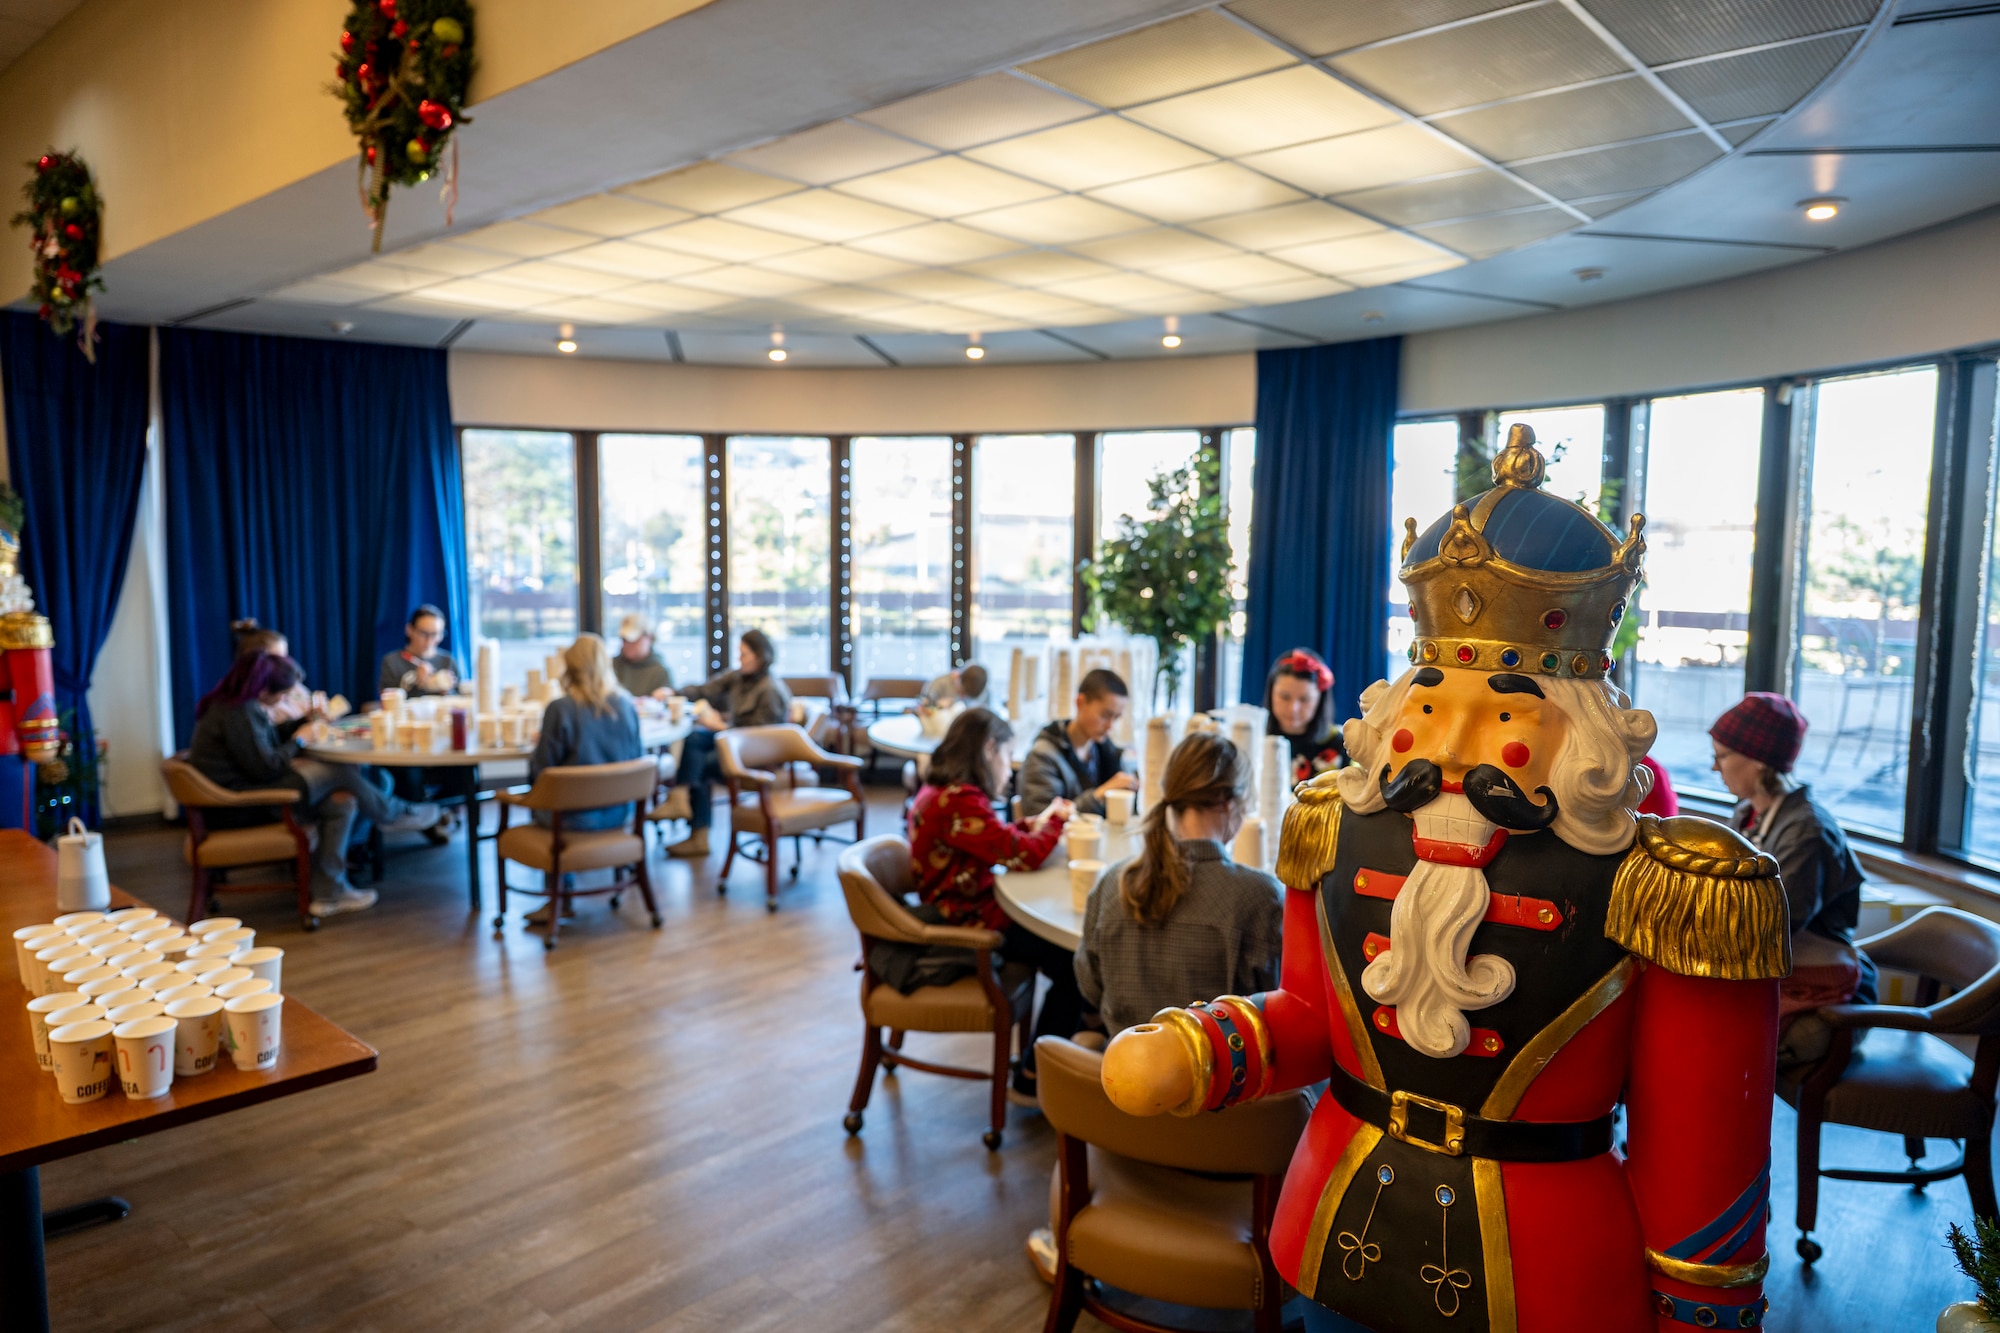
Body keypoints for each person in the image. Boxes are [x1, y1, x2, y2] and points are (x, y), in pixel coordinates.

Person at [1098, 427, 1789, 1333]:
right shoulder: (1327, 827)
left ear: (1581, 722)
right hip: (1333, 1220)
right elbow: (1311, 1019)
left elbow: (1700, 1146)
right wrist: (1204, 1046)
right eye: (1432, 700)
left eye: (1499, 708)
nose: (1453, 741)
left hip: (1549, 1270)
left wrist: (1699, 1311)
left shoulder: (1682, 885)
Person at [189, 652, 440, 917]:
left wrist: (304, 724)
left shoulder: (235, 705)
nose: (284, 700)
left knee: (342, 801)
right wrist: (299, 740)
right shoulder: (240, 713)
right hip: (243, 804)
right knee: (340, 771)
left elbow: (266, 742)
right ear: (263, 688)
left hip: (245, 792)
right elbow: (267, 767)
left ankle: (328, 896)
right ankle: (393, 813)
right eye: (283, 695)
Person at [908, 707, 1075, 1099]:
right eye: (1006, 756)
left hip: (960, 905)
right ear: (988, 750)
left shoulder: (944, 793)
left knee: (1066, 954)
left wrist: (1024, 827)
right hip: (967, 922)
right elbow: (1024, 856)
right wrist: (1056, 820)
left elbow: (991, 839)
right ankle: (1033, 1077)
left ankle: (1073, 1036)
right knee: (1075, 963)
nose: (1008, 769)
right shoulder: (959, 800)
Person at [1075, 731, 1282, 1034]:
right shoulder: (1262, 897)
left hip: (1126, 1071)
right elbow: (1278, 1011)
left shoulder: (1113, 883)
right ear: (1228, 803)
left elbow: (1091, 988)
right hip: (1224, 1078)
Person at [1710, 691, 1874, 1068]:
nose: (1714, 769)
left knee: (1710, 1045)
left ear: (1758, 760)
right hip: (1788, 972)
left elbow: (1772, 924)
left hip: (1826, 999)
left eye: (1721, 756)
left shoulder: (1807, 832)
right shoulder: (1750, 814)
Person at [521, 635, 646, 926]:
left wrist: (542, 743)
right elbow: (636, 762)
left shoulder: (560, 710)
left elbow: (542, 774)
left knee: (550, 799)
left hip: (570, 820)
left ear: (569, 669)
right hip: (619, 814)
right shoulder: (626, 706)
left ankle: (560, 896)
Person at [661, 628, 792, 858]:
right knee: (693, 738)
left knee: (701, 763)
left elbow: (761, 738)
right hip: (733, 741)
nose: (739, 660)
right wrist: (673, 692)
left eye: (744, 655)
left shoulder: (770, 691)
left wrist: (721, 727)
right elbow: (705, 689)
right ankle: (679, 797)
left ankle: (698, 834)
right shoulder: (740, 677)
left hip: (755, 754)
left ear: (761, 657)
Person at [1019, 668, 1134, 818]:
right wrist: (1100, 794)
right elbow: (1042, 819)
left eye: (1116, 718)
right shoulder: (1042, 756)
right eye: (1105, 715)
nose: (1110, 726)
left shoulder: (1105, 751)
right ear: (1080, 702)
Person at [1264, 647, 1346, 782]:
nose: (1293, 709)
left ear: (1320, 700)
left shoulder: (1341, 745)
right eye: (1284, 697)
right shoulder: (1254, 738)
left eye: (1304, 699)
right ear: (1271, 692)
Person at [378, 604, 457, 697]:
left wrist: (446, 690)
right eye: (424, 633)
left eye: (435, 634)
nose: (429, 640)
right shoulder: (392, 662)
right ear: (409, 630)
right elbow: (388, 701)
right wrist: (416, 683)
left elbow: (458, 700)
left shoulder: (448, 661)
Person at [612, 614, 675, 699]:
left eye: (632, 639)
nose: (627, 644)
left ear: (649, 638)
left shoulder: (660, 672)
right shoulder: (610, 666)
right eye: (624, 639)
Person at [919, 662, 989, 711]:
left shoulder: (980, 692)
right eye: (962, 692)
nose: (963, 697)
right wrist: (938, 705)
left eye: (967, 696)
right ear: (957, 676)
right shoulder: (940, 683)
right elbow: (923, 705)